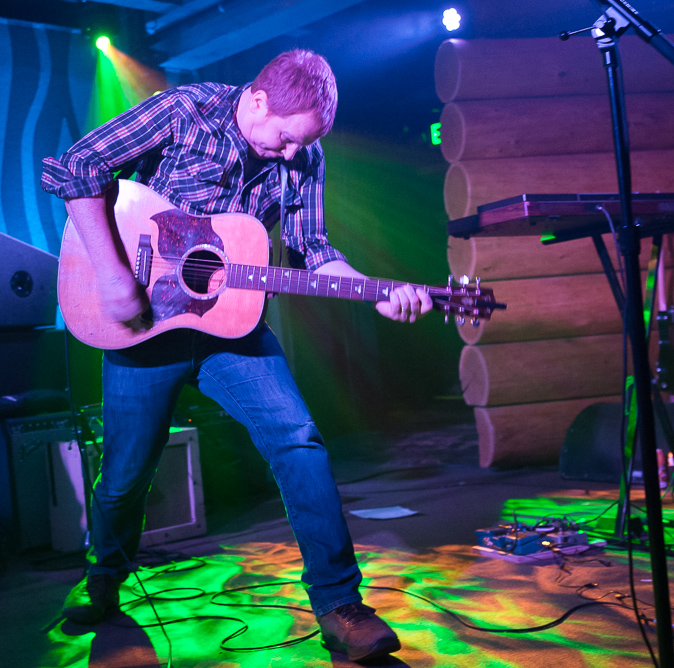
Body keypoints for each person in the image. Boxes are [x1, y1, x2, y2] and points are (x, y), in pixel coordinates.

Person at [41, 49, 431, 663]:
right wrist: (115, 274)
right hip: (146, 323)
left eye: (299, 145)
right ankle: (103, 583)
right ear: (255, 100)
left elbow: (312, 248)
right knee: (126, 476)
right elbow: (76, 168)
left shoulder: (304, 154)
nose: (288, 155)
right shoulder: (185, 111)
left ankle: (340, 606)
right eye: (281, 140)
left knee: (298, 438)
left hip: (233, 330)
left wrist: (378, 293)